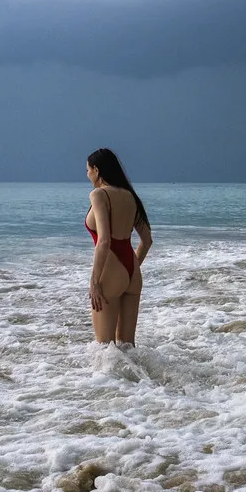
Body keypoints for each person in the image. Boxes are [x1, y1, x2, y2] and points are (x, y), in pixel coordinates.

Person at [85, 148, 152, 348]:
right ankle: (140, 381)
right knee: (127, 347)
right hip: (132, 272)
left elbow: (104, 240)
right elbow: (147, 241)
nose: (87, 175)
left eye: (88, 170)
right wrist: (130, 271)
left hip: (110, 271)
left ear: (96, 170)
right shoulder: (131, 196)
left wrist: (95, 281)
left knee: (104, 348)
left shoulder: (99, 195)